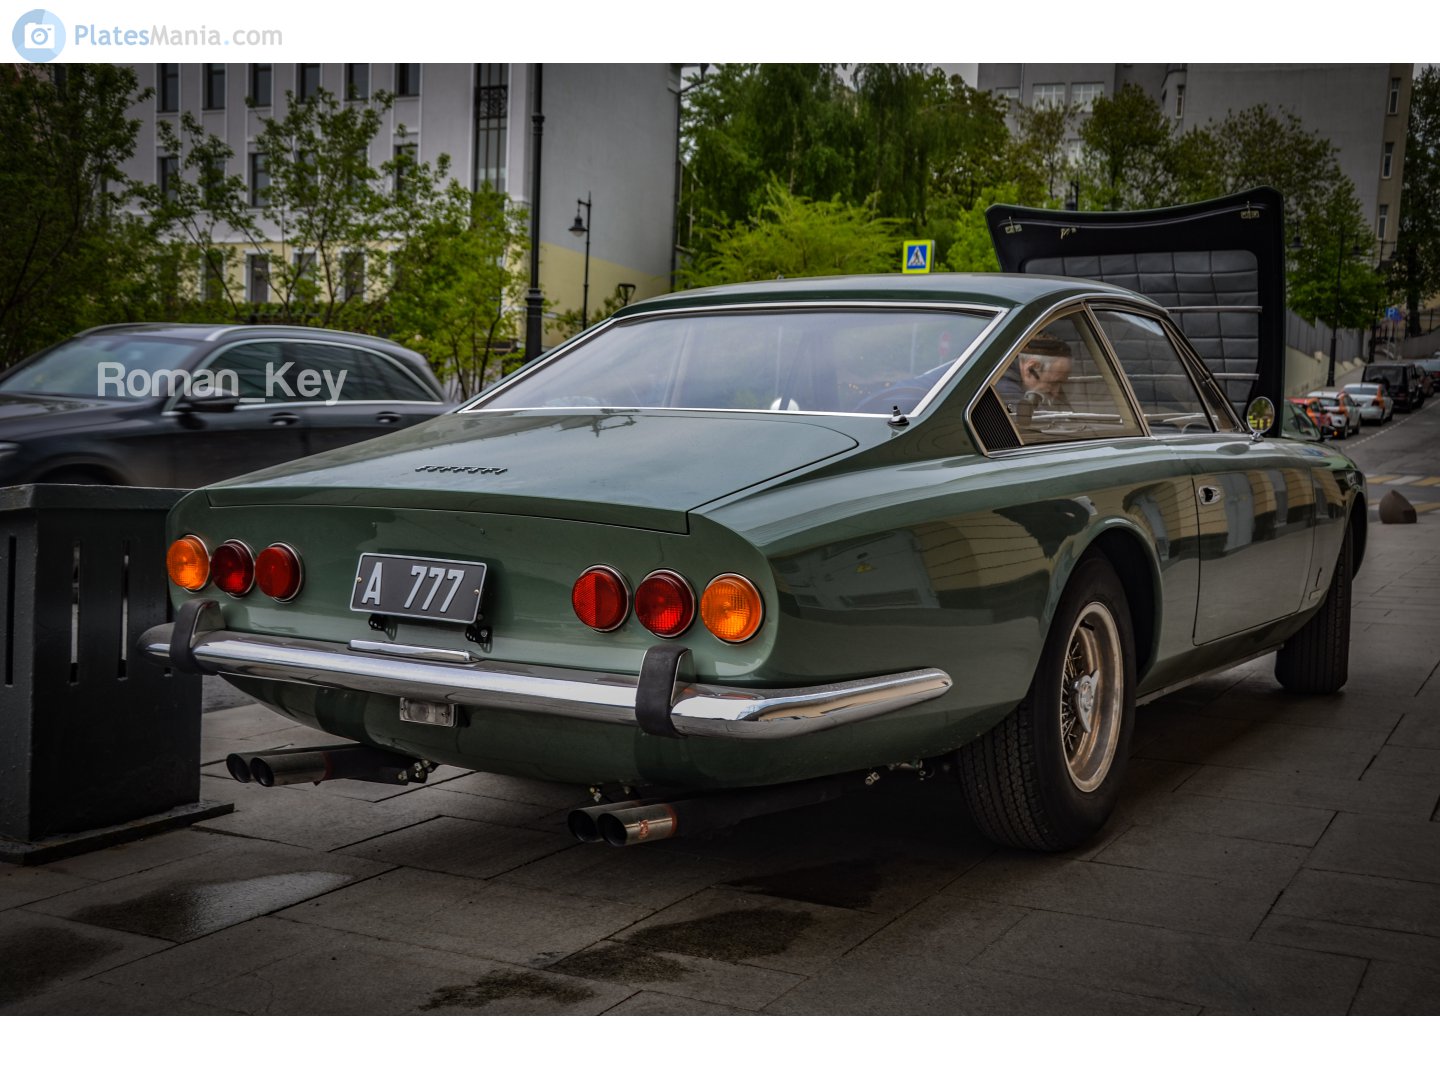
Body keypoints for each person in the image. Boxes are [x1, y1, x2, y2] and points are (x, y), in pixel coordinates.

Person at [997, 334, 1073, 410]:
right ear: (1031, 369)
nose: (1056, 393)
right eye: (1053, 383)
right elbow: (1040, 419)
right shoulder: (1005, 391)